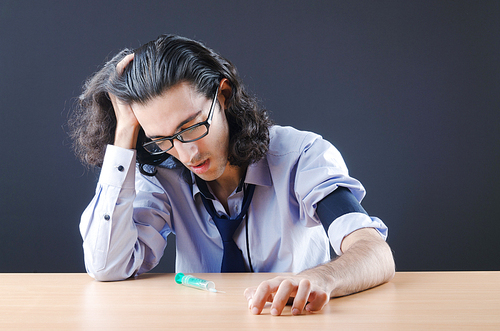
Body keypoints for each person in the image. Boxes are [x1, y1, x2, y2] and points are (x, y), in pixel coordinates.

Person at [69, 34, 395, 316]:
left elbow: (374, 251)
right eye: (162, 139)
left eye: (192, 127)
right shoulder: (162, 172)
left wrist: (320, 278)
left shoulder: (302, 157)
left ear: (222, 95)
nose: (187, 154)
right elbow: (107, 267)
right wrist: (126, 131)